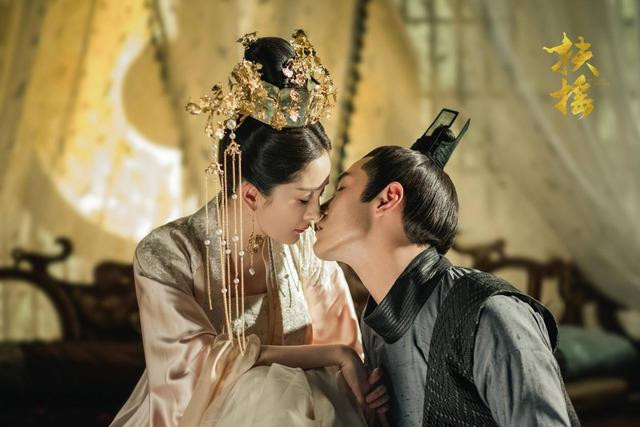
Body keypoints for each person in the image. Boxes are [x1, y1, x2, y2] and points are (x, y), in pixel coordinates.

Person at [111, 31, 388, 427]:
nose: (316, 213)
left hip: (309, 412)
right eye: (303, 199)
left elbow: (345, 343)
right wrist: (333, 356)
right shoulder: (167, 254)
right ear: (252, 195)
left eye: (322, 193)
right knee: (268, 392)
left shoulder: (304, 246)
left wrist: (362, 379)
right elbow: (196, 371)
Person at [313, 110, 579, 426]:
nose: (319, 210)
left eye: (341, 188)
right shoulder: (375, 328)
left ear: (387, 198)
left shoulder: (488, 313)